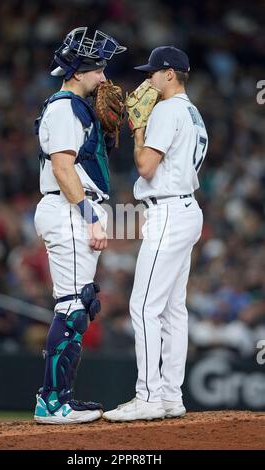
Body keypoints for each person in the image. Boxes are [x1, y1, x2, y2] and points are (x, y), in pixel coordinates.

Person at [103, 46, 208, 421]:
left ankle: (148, 396)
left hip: (167, 211)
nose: (147, 79)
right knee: (173, 309)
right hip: (186, 209)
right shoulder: (193, 113)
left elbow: (146, 166)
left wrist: (138, 128)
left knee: (144, 305)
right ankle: (170, 395)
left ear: (169, 73)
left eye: (152, 73)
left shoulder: (167, 109)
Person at [33, 27, 126, 424]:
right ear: (80, 70)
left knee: (79, 305)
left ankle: (61, 397)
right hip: (71, 209)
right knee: (72, 309)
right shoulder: (65, 106)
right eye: (99, 69)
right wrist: (90, 218)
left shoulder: (75, 107)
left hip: (73, 209)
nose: (104, 78)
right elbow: (62, 166)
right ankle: (53, 402)